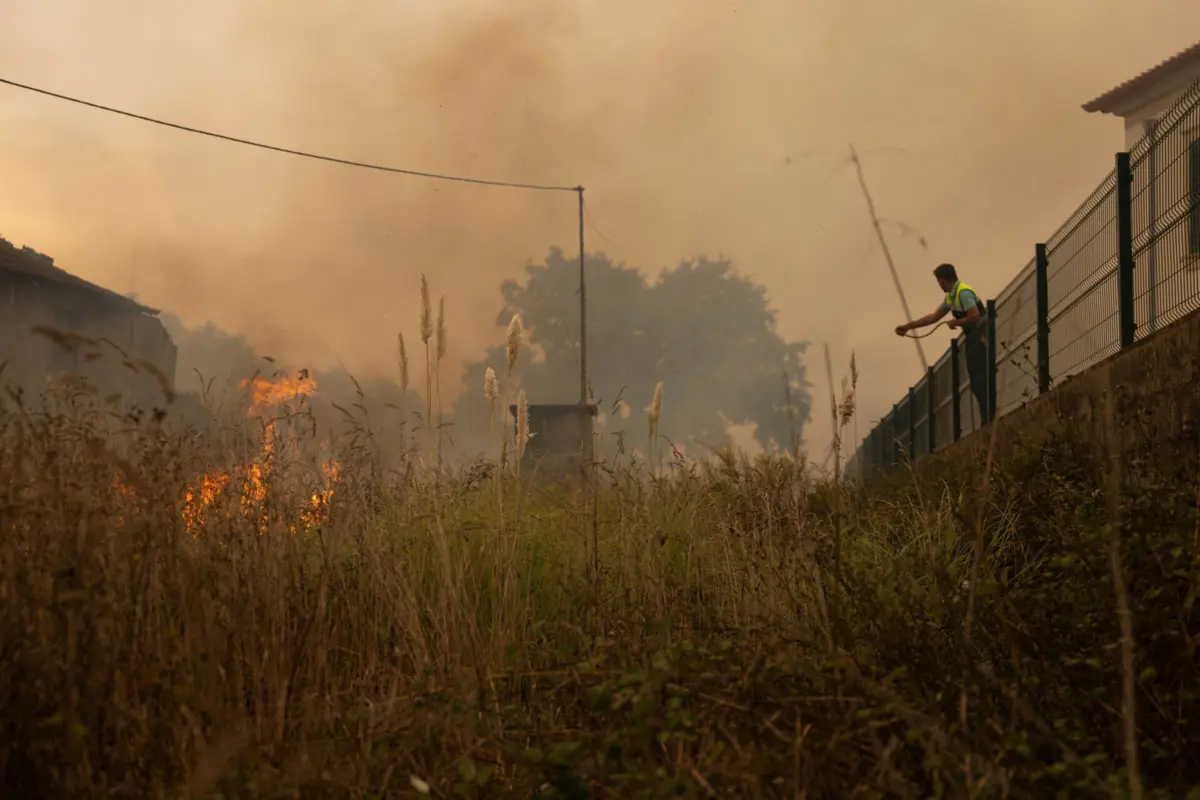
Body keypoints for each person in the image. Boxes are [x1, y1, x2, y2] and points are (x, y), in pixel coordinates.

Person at [894, 263, 991, 426]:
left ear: (943, 280)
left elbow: (975, 316)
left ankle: (988, 417)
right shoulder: (951, 297)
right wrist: (908, 326)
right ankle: (986, 418)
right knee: (976, 380)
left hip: (982, 337)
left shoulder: (963, 292)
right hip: (973, 338)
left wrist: (957, 322)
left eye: (938, 281)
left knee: (981, 378)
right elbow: (933, 317)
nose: (938, 285)